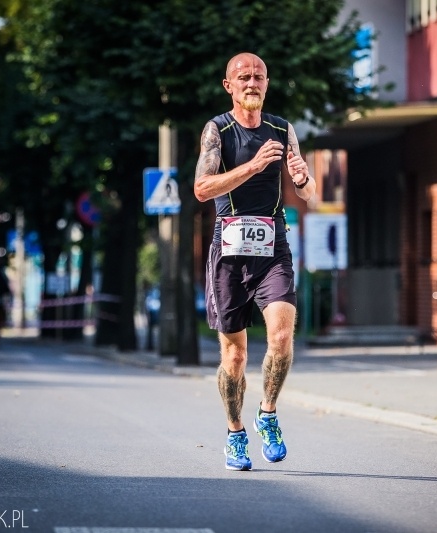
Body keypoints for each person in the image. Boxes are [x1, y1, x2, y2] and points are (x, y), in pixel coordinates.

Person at [194, 52, 316, 471]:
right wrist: (253, 166)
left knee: (281, 336)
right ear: (229, 85)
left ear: (267, 83)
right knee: (235, 357)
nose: (252, 83)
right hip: (228, 252)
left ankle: (267, 414)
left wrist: (302, 178)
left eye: (259, 77)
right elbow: (202, 188)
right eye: (243, 77)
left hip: (273, 247)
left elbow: (308, 189)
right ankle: (234, 433)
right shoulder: (218, 130)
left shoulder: (282, 129)